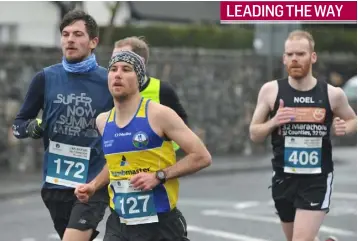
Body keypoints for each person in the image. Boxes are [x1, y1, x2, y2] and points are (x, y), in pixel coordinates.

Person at [74, 50, 212, 241]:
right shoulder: (103, 121)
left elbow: (202, 156)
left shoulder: (160, 114)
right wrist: (93, 185)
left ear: (139, 78)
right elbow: (115, 164)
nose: (118, 74)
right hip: (120, 223)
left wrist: (159, 176)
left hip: (160, 224)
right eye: (113, 69)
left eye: (126, 69)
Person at [12, 10, 113, 241]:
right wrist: (33, 128)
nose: (70, 39)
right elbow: (19, 125)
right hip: (56, 184)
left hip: (93, 182)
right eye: (65, 34)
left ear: (93, 42)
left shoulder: (108, 81)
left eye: (78, 34)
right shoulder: (45, 78)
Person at [249, 30, 356, 241]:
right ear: (284, 58)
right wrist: (274, 121)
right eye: (289, 55)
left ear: (313, 57)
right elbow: (254, 133)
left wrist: (345, 127)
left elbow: (353, 119)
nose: (294, 59)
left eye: (300, 54)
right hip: (283, 178)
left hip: (316, 179)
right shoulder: (271, 91)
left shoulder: (332, 94)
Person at [112, 36, 188, 151]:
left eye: (123, 59)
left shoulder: (162, 90)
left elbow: (182, 128)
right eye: (113, 59)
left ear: (141, 62)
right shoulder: (110, 90)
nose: (116, 63)